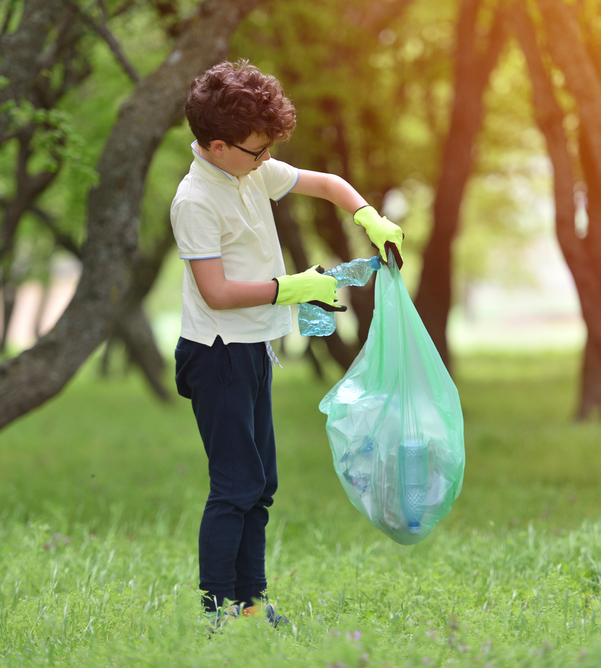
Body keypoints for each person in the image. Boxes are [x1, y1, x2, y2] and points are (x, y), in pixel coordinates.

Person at [170, 60, 403, 625]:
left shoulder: (249, 172)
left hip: (251, 349)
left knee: (262, 483)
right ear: (219, 145)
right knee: (236, 485)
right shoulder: (196, 201)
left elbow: (325, 184)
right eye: (258, 149)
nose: (268, 158)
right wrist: (293, 288)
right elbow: (216, 291)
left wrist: (367, 216)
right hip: (216, 352)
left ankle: (251, 604)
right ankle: (214, 612)